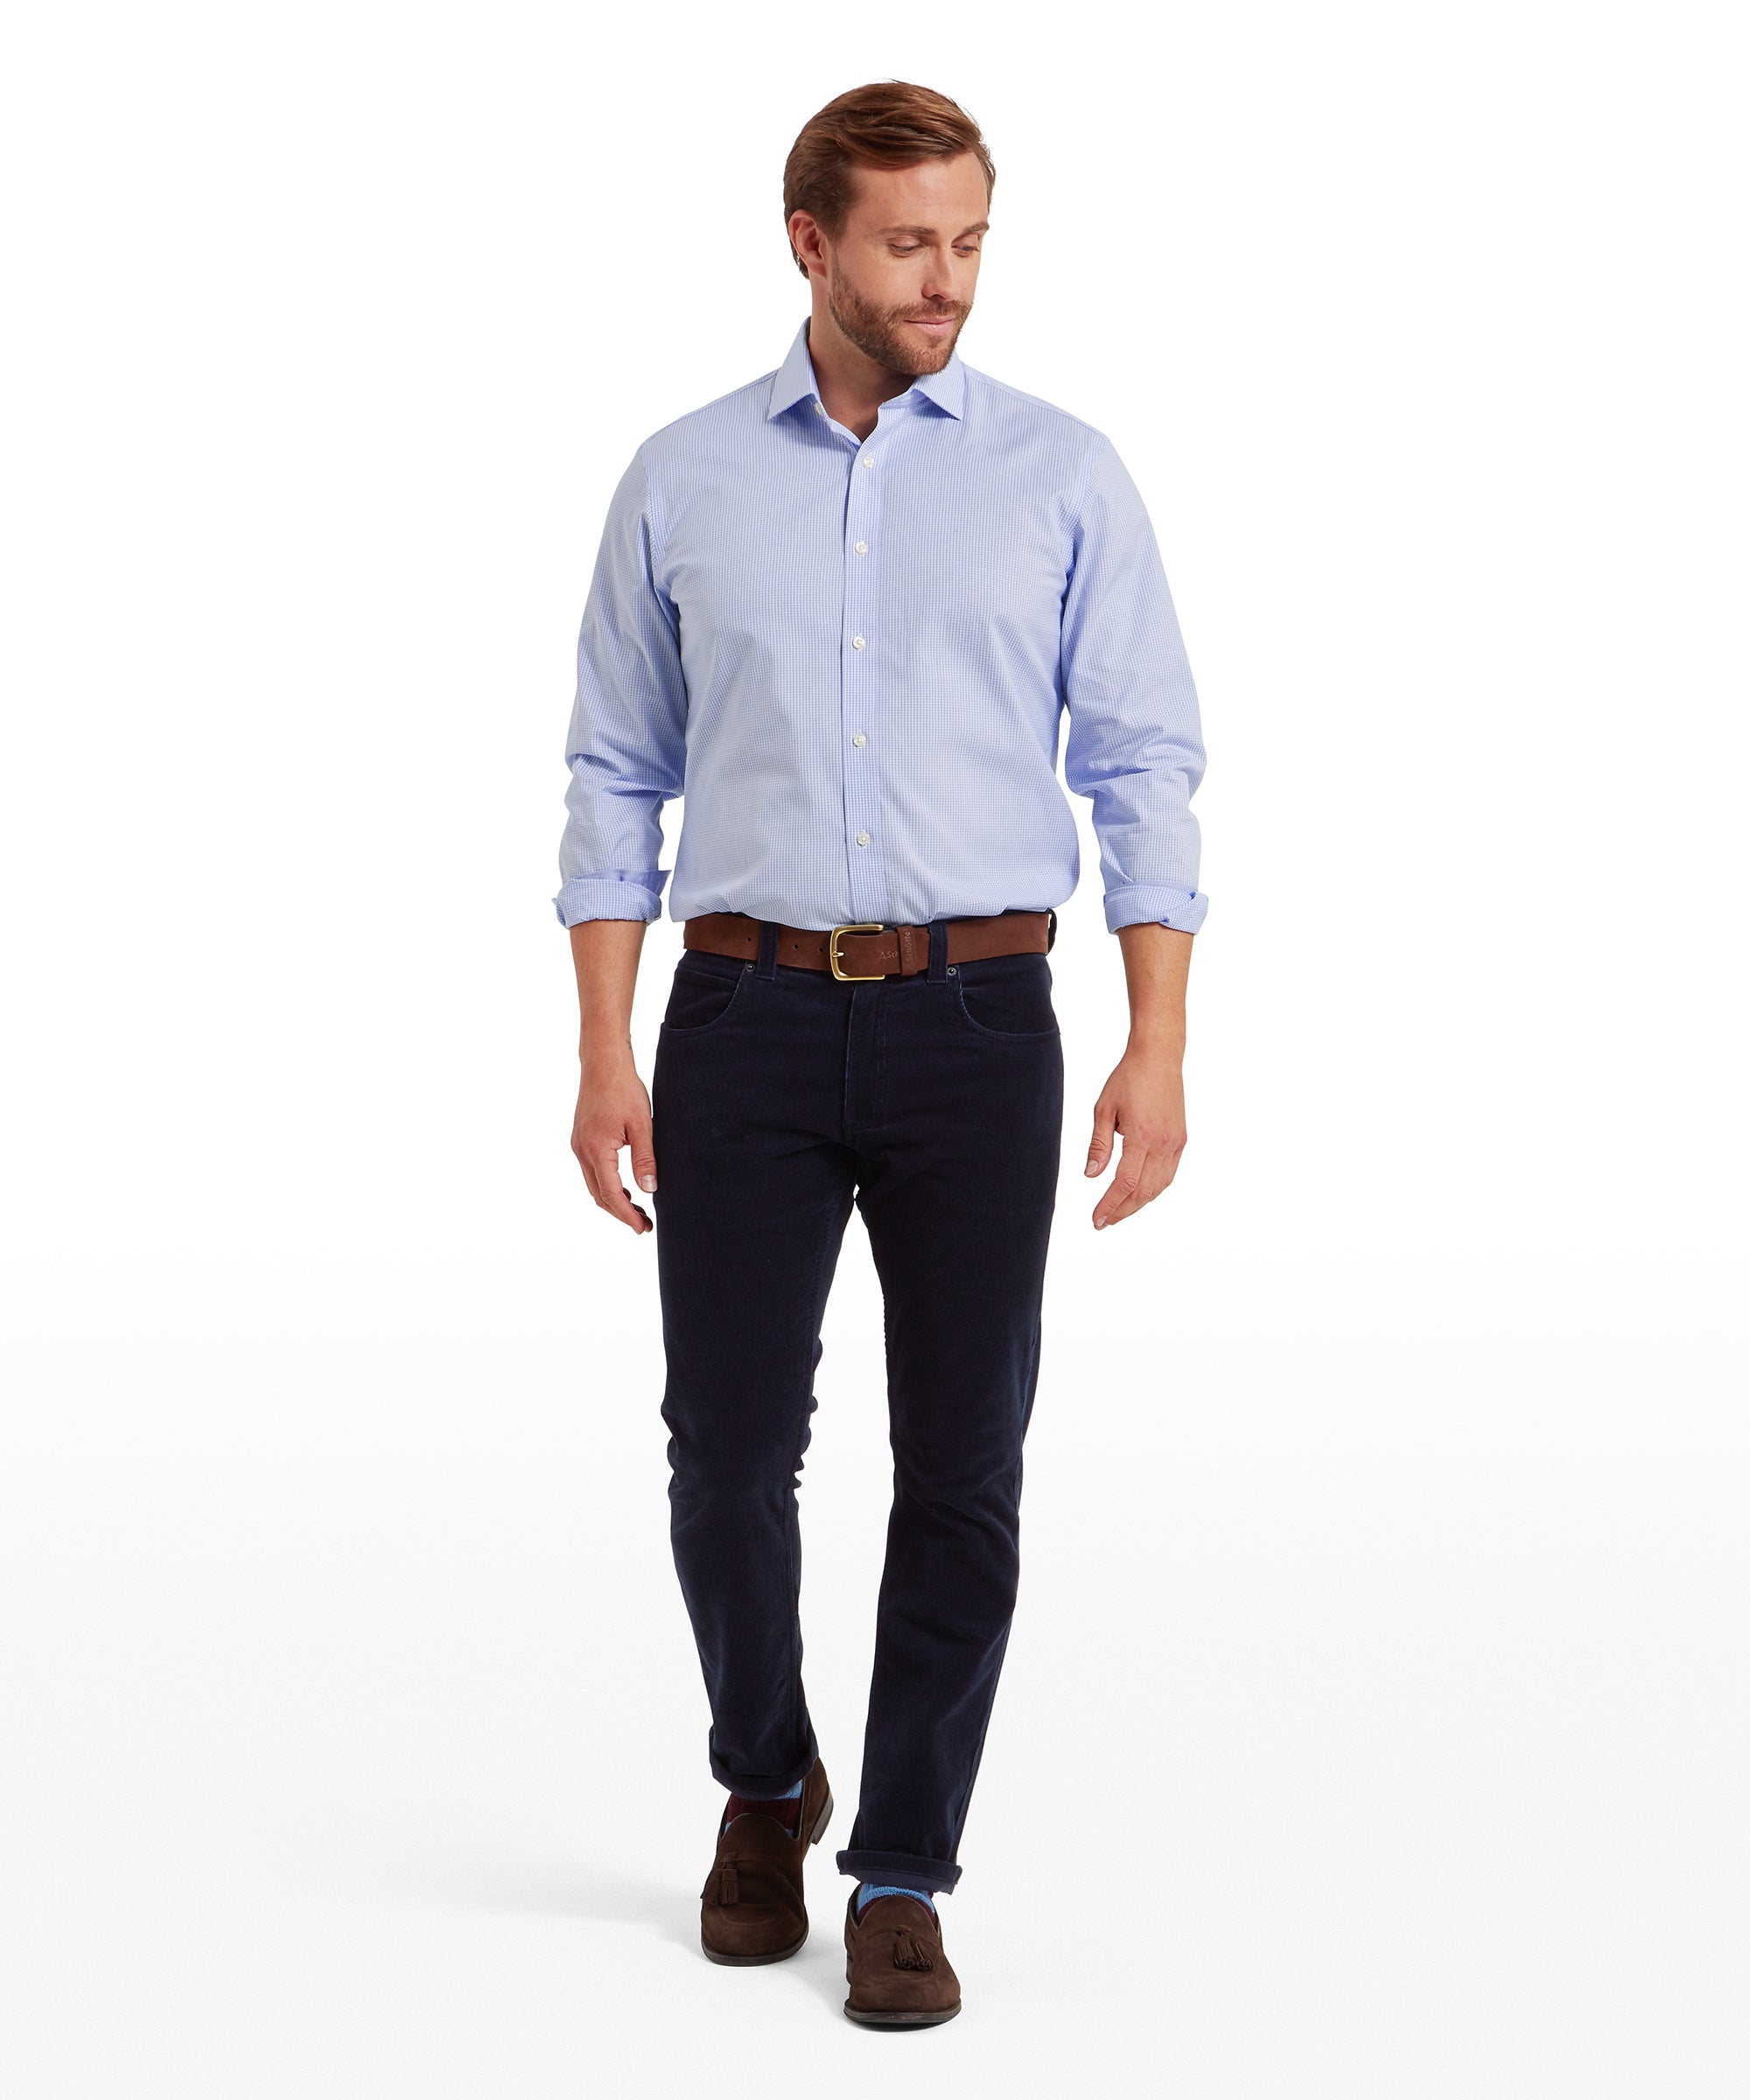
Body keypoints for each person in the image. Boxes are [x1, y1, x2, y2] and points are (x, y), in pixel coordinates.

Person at [556, 80, 1207, 2027]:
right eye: (910, 244)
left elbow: (1143, 765)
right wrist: (603, 1051)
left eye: (971, 242)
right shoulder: (681, 477)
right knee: (724, 1454)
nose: (948, 282)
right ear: (811, 244)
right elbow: (615, 774)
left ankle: (904, 1864)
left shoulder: (1062, 475)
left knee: (965, 1462)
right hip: (741, 1019)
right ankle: (765, 1781)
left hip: (980, 1024)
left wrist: (1158, 1041)